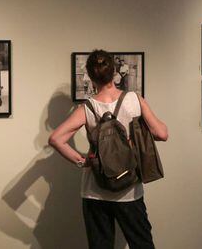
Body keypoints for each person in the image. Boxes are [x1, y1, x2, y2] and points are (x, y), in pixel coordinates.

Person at [48, 49, 168, 249]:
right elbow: (162, 134)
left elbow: (55, 138)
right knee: (142, 244)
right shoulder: (134, 100)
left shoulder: (87, 108)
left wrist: (84, 161)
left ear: (91, 76)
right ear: (114, 73)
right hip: (129, 190)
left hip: (95, 191)